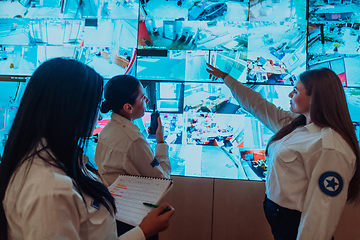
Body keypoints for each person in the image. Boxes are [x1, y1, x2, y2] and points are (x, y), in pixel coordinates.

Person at [0, 58, 174, 240]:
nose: (98, 115)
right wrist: (143, 232)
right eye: (94, 106)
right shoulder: (49, 189)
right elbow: (161, 178)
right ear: (70, 110)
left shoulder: (60, 159)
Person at [206, 63, 360, 240]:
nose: (290, 95)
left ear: (315, 97)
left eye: (295, 90)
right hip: (282, 223)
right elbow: (257, 104)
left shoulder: (330, 147)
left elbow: (321, 214)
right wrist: (227, 78)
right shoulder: (294, 124)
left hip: (298, 227)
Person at [94, 75, 171, 238]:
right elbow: (162, 180)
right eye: (142, 97)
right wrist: (161, 142)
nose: (147, 99)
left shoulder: (107, 130)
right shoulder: (133, 140)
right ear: (128, 107)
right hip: (136, 220)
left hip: (114, 215)